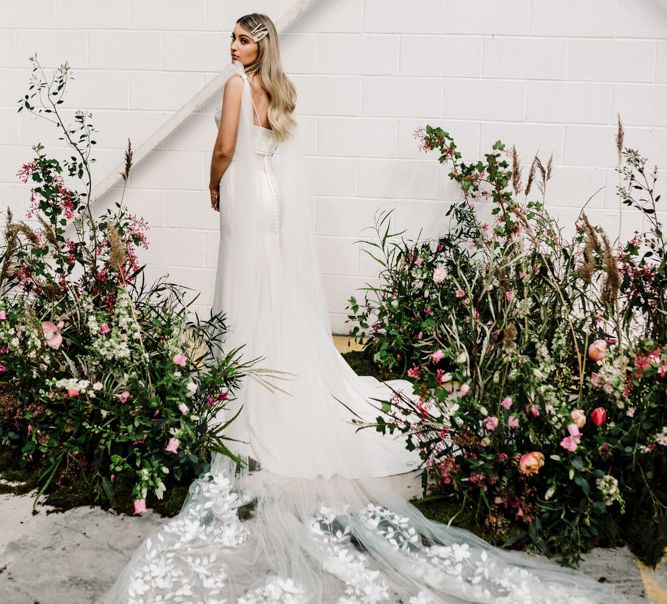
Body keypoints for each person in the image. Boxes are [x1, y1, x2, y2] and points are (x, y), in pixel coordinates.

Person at [105, 13, 626, 603]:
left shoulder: (234, 85)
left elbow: (225, 147)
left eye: (243, 39)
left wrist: (212, 181)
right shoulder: (277, 87)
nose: (232, 47)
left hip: (247, 198)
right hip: (272, 199)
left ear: (261, 45)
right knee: (272, 287)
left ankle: (252, 392)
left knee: (249, 289)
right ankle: (277, 375)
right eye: (232, 37)